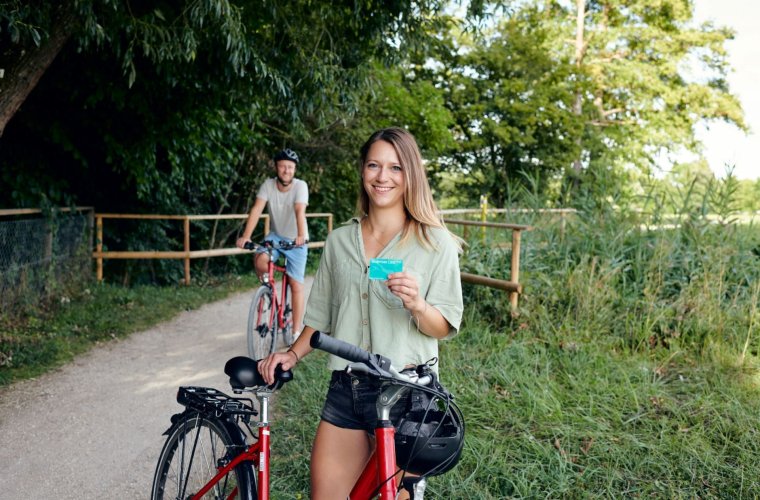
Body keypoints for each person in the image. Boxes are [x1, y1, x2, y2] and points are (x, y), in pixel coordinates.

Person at [258, 128, 464, 499]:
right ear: (363, 170)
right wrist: (293, 353)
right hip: (347, 388)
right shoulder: (339, 241)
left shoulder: (435, 243)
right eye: (373, 165)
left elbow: (443, 325)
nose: (383, 177)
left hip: (406, 394)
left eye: (395, 167)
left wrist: (417, 305)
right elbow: (321, 316)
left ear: (411, 174)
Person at [236, 148, 309, 336]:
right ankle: (269, 290)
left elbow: (299, 210)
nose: (286, 170)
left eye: (290, 167)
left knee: (296, 285)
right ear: (276, 167)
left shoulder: (300, 186)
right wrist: (246, 236)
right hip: (276, 236)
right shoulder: (268, 185)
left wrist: (301, 235)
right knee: (260, 259)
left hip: (296, 239)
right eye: (283, 166)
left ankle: (296, 331)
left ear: (295, 169)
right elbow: (257, 209)